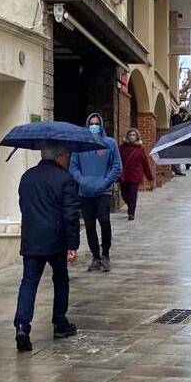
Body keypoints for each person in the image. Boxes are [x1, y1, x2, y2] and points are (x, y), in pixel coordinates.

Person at [13, 141, 80, 351]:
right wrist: (72, 244)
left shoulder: (27, 177)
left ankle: (22, 325)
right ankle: (60, 322)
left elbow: (23, 205)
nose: (69, 159)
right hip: (56, 240)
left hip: (32, 239)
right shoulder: (65, 179)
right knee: (60, 279)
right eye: (67, 155)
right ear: (59, 156)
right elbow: (71, 215)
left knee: (29, 282)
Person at [69, 112, 122, 272]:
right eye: (91, 123)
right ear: (87, 125)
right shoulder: (80, 145)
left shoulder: (110, 144)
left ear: (101, 125)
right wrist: (82, 181)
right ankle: (95, 256)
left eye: (96, 123)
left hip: (103, 191)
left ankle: (105, 253)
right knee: (89, 225)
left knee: (104, 221)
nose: (94, 126)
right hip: (85, 192)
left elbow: (117, 167)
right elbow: (73, 166)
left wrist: (105, 182)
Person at [119, 128, 154, 221]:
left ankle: (131, 212)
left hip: (135, 175)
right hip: (124, 175)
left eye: (134, 135)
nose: (132, 137)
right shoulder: (121, 148)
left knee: (133, 194)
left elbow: (145, 164)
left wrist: (150, 177)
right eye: (130, 135)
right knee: (124, 194)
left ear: (137, 137)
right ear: (127, 136)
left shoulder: (140, 149)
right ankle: (130, 206)